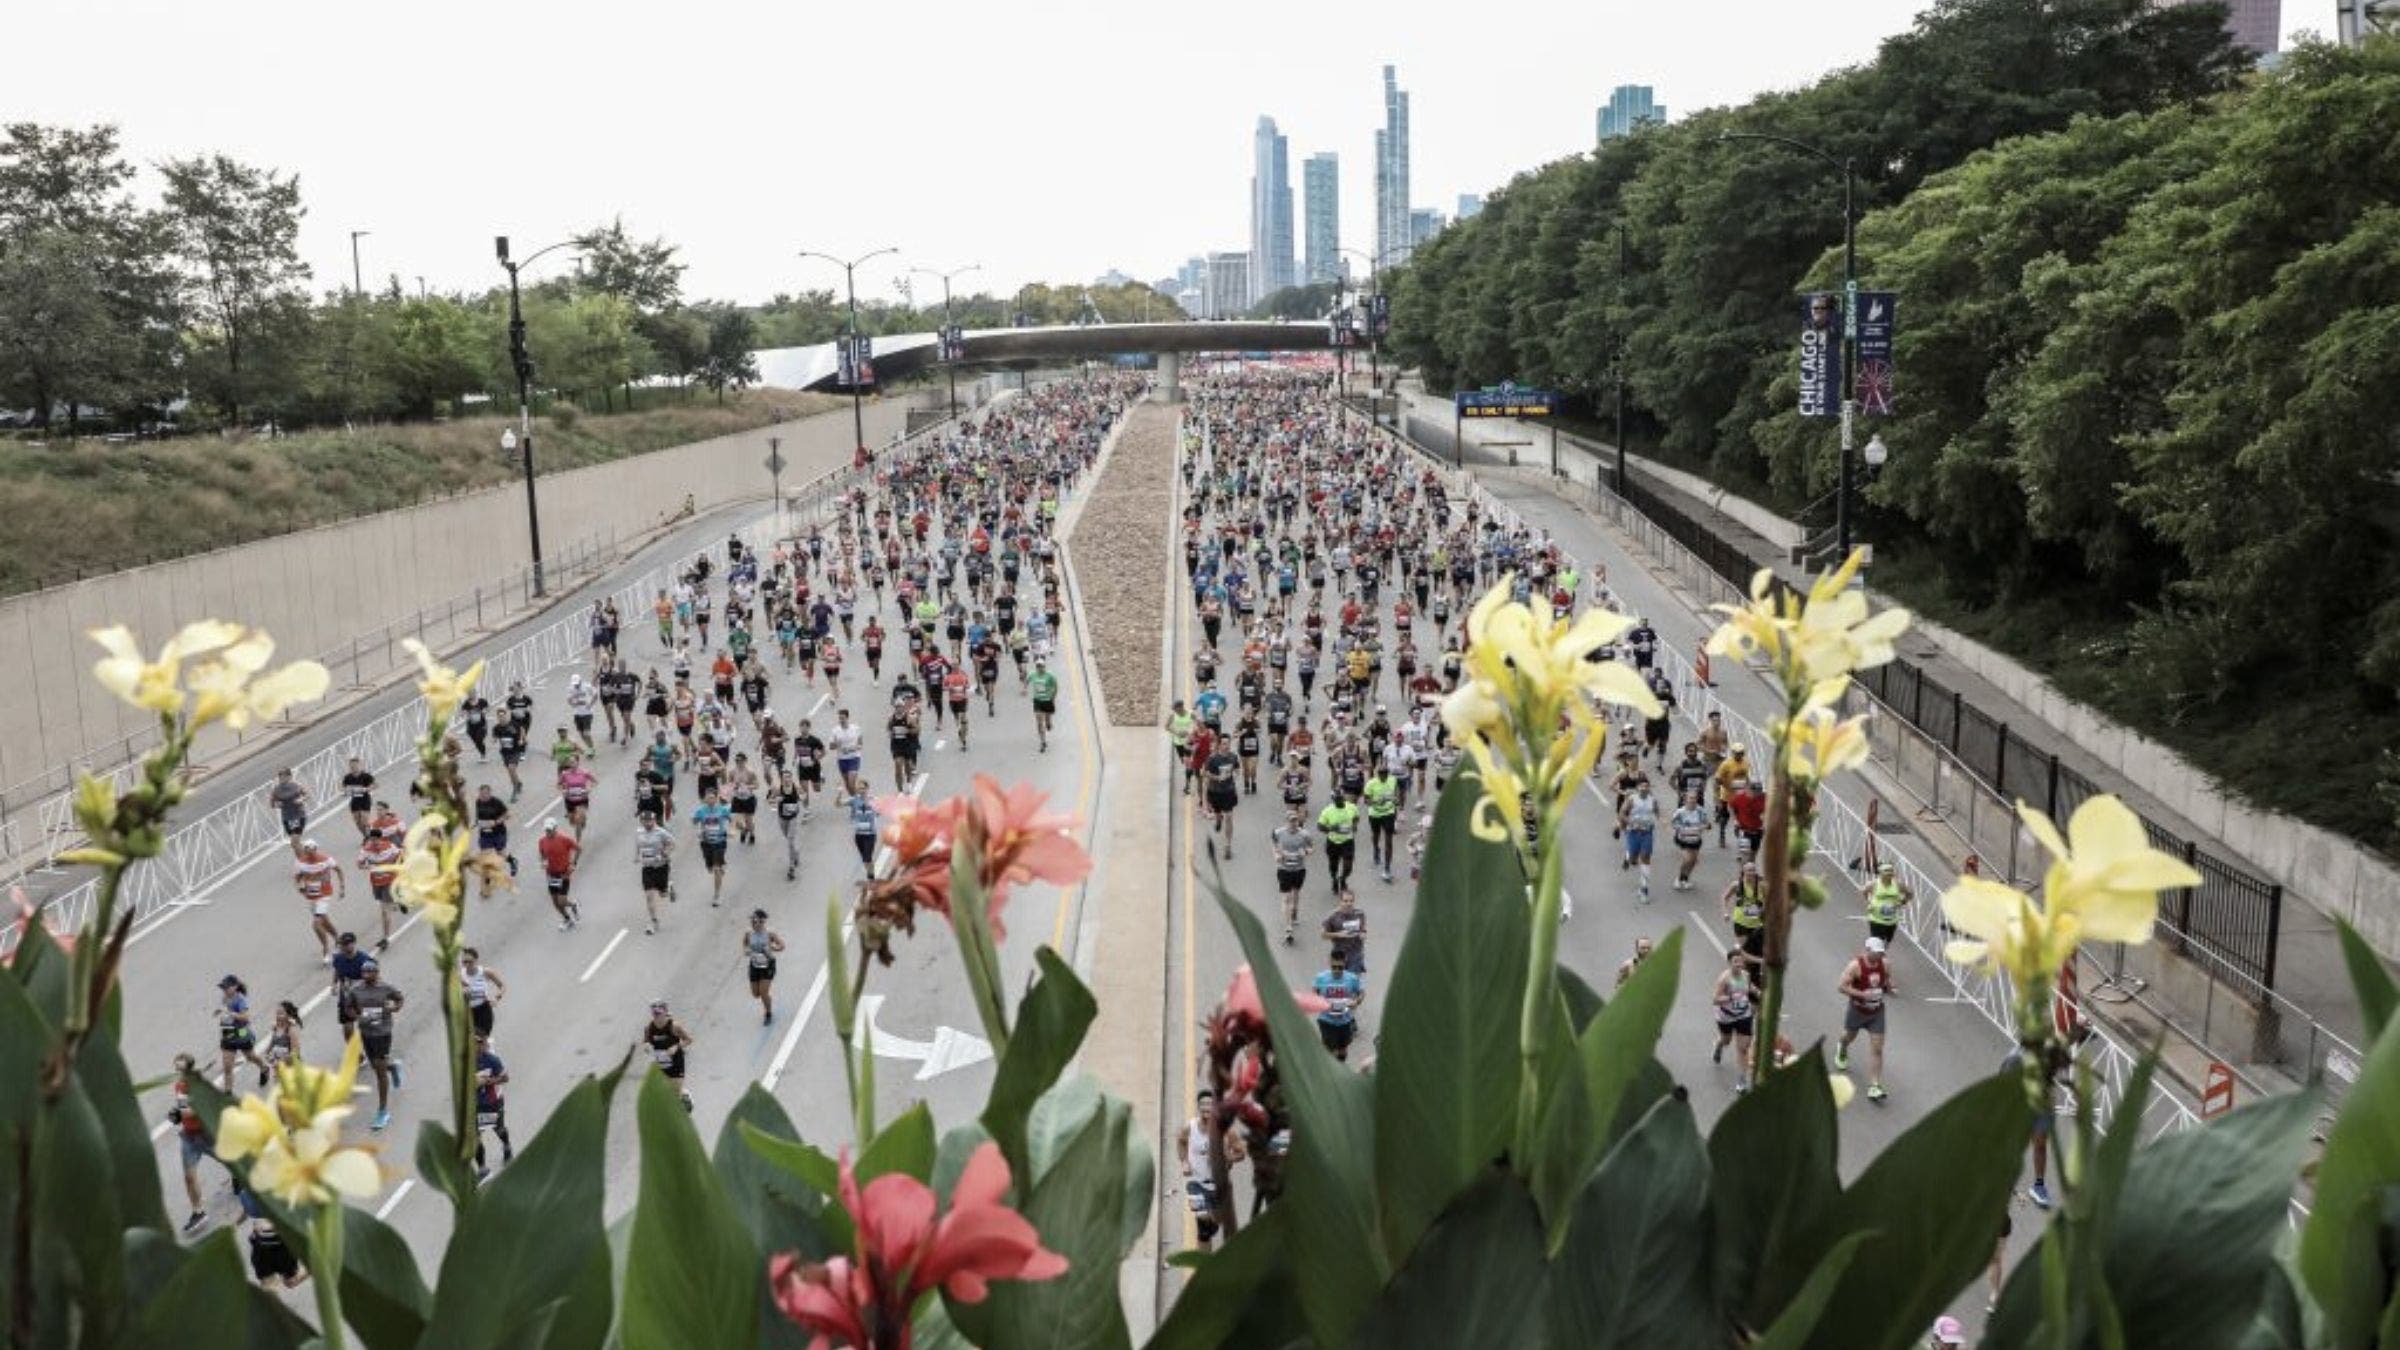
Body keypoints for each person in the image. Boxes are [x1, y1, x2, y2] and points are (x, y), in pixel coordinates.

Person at [1834, 936, 1896, 1104]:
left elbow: (1887, 978)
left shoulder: (1885, 964)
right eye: (1876, 953)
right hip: (1857, 1010)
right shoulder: (1855, 966)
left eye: (1881, 953)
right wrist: (1862, 994)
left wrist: (1890, 987)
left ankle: (1874, 1086)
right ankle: (1842, 1046)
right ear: (1867, 950)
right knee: (1849, 1037)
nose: (1879, 956)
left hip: (1877, 1012)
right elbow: (1841, 986)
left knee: (1877, 1049)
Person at [347, 958, 405, 1131]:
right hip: (366, 1033)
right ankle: (393, 1066)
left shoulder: (386, 988)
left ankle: (382, 1111)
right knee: (375, 1065)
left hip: (382, 1033)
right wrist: (358, 1017)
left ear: (377, 973)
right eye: (364, 972)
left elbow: (400, 999)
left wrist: (394, 1008)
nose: (366, 975)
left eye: (370, 972)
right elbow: (348, 1008)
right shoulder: (356, 989)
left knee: (379, 1072)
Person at [1176, 1090, 1239, 1249]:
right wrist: (1184, 1162)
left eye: (1210, 1105)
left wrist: (1228, 1158)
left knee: (1213, 1223)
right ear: (1198, 1107)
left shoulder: (1226, 1131)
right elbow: (1181, 1142)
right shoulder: (1190, 1128)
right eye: (1203, 1104)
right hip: (1196, 1183)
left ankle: (1213, 1225)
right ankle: (1203, 1266)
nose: (1206, 1108)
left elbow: (1241, 1153)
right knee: (1203, 1228)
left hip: (1218, 1185)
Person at [168, 1053, 216, 1232]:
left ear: (188, 1069)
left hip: (207, 1135)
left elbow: (193, 1109)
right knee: (189, 1177)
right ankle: (198, 1212)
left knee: (231, 1162)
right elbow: (184, 1108)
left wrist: (178, 1114)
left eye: (180, 1069)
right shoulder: (179, 1085)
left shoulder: (198, 1086)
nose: (177, 1072)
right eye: (176, 1069)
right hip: (189, 1137)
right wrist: (179, 1112)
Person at [1711, 948, 1757, 1091]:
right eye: (1735, 961)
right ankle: (1718, 1046)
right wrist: (1730, 997)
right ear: (1729, 963)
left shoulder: (1746, 975)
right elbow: (1715, 1000)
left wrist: (1758, 992)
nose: (1738, 964)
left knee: (1743, 1048)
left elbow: (1749, 988)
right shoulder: (1724, 979)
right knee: (1726, 1040)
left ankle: (1742, 1080)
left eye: (1740, 961)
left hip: (1744, 1014)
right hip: (1726, 1016)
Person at [1311, 948, 1366, 1063]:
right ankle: (1330, 1073)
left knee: (1343, 1051)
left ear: (1345, 963)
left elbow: (1361, 992)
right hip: (1327, 1021)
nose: (1336, 970)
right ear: (1330, 962)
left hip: (1345, 1021)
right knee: (1330, 1051)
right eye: (1334, 967)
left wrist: (1356, 1002)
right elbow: (1314, 993)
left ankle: (1341, 1067)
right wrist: (1319, 1002)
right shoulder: (1321, 978)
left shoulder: (1352, 978)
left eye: (1340, 967)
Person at [293, 837, 343, 961]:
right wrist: (300, 888)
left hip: (324, 894)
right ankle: (338, 938)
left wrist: (342, 887)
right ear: (304, 850)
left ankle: (326, 949)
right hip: (311, 895)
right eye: (307, 850)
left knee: (316, 923)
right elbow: (297, 878)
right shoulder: (300, 862)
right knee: (324, 921)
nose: (310, 852)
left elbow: (339, 870)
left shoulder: (326, 859)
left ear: (316, 849)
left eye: (312, 850)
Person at [642, 999, 695, 1112]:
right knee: (665, 1092)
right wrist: (646, 1046)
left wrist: (676, 1046)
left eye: (659, 1013)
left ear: (665, 1012)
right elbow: (646, 1041)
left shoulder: (674, 1026)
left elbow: (689, 1040)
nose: (657, 1016)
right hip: (661, 1062)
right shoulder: (649, 1028)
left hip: (676, 1061)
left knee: (676, 1093)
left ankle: (684, 1098)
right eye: (655, 1014)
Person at [216, 974, 268, 1090]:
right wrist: (220, 1013)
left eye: (226, 987)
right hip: (228, 1034)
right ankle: (228, 1095)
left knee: (250, 1057)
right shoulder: (225, 998)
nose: (224, 990)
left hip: (241, 1034)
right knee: (227, 1067)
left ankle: (264, 1068)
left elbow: (246, 1017)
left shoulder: (241, 999)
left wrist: (231, 1014)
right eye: (222, 987)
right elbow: (225, 1011)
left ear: (235, 987)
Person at [1270, 808, 1313, 945]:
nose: (1293, 823)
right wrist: (1276, 854)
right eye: (1291, 821)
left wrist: (1305, 852)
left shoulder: (1305, 835)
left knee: (1296, 893)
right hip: (1284, 869)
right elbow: (1274, 844)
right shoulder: (1278, 833)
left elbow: (1312, 848)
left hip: (1299, 869)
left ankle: (1295, 910)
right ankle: (1288, 928)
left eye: (1295, 820)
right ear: (1286, 821)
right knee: (1286, 897)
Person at [474, 1032, 513, 1177]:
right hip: (474, 1105)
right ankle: (482, 1168)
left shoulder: (492, 1060)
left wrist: (487, 1081)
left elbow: (506, 1078)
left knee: (499, 1129)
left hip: (492, 1102)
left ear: (483, 1044)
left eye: (479, 1043)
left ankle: (507, 1145)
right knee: (475, 1137)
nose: (476, 1046)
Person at [357, 828, 403, 950]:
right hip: (376, 883)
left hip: (389, 880)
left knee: (384, 910)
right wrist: (368, 865)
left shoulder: (389, 846)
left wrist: (395, 865)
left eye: (377, 839)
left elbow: (401, 854)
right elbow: (359, 864)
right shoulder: (366, 850)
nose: (375, 842)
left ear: (381, 838)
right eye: (373, 839)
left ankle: (385, 938)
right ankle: (399, 899)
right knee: (385, 905)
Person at [634, 811, 676, 935]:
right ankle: (653, 921)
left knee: (663, 894)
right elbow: (638, 845)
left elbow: (672, 844)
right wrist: (636, 856)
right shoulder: (639, 832)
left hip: (661, 866)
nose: (647, 823)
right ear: (641, 821)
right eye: (645, 820)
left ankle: (669, 886)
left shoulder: (661, 832)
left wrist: (664, 853)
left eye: (650, 820)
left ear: (654, 820)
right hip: (647, 868)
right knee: (649, 896)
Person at [742, 909, 787, 1025]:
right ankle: (767, 998)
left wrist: (772, 948)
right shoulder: (748, 933)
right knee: (755, 994)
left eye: (755, 921)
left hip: (767, 965)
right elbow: (745, 944)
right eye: (751, 920)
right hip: (755, 964)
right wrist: (746, 951)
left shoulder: (770, 933)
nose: (752, 923)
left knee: (763, 993)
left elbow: (782, 946)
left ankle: (768, 1013)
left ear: (762, 922)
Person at [538, 819, 582, 930]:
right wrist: (543, 862)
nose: (548, 832)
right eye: (546, 830)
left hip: (564, 874)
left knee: (561, 901)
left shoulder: (564, 839)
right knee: (555, 902)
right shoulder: (542, 841)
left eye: (550, 830)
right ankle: (567, 919)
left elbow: (579, 849)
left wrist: (573, 864)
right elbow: (542, 854)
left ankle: (573, 905)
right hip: (551, 875)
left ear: (555, 829)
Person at [692, 787, 733, 905]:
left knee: (716, 869)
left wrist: (734, 829)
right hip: (706, 843)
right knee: (710, 868)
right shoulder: (700, 811)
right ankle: (721, 864)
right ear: (704, 798)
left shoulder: (723, 810)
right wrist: (697, 828)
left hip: (720, 842)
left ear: (716, 798)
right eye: (707, 798)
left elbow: (733, 820)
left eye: (712, 798)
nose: (710, 800)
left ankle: (717, 895)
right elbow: (694, 821)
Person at [1620, 779, 1658, 902]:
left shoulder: (1653, 800)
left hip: (1647, 833)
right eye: (1641, 786)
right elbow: (1622, 814)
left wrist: (1662, 822)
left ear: (1649, 788)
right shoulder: (1631, 799)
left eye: (1646, 786)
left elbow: (1657, 813)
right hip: (1633, 832)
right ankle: (1628, 856)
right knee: (1633, 860)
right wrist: (1628, 822)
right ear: (1637, 788)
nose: (1644, 788)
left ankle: (1644, 890)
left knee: (1646, 858)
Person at [1203, 735, 1241, 856]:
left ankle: (1227, 845)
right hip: (1215, 791)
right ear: (1219, 745)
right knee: (1218, 814)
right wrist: (1217, 777)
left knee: (1229, 816)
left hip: (1228, 791)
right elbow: (1205, 773)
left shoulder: (1233, 757)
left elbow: (1237, 769)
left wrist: (1235, 775)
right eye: (1224, 743)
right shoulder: (1213, 758)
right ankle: (1218, 819)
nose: (1226, 746)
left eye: (1228, 744)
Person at [1362, 764, 1401, 883]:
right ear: (1377, 774)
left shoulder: (1393, 780)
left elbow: (1397, 793)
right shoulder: (1371, 784)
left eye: (1385, 774)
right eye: (1380, 774)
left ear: (1388, 773)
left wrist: (1396, 799)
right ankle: (1375, 848)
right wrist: (1376, 801)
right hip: (1374, 814)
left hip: (1389, 813)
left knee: (1389, 841)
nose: (1382, 776)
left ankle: (1387, 868)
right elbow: (1366, 801)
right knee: (1376, 835)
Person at [1316, 789, 1359, 893]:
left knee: (1348, 866)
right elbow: (1320, 826)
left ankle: (1343, 878)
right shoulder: (1327, 811)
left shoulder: (1351, 807)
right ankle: (1334, 879)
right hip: (1333, 842)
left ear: (1343, 797)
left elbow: (1356, 817)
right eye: (1336, 799)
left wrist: (1354, 826)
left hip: (1347, 841)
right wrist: (1331, 828)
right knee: (1333, 865)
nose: (1339, 800)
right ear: (1333, 800)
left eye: (1340, 798)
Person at [460, 947, 507, 1040]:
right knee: (469, 1042)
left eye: (470, 961)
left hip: (483, 1010)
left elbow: (502, 986)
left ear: (476, 960)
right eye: (465, 962)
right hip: (468, 1012)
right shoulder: (460, 975)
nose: (467, 964)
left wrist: (496, 998)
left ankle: (488, 1050)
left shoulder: (486, 972)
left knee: (482, 1040)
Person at [1863, 861, 1913, 947]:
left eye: (1891, 871)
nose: (1889, 873)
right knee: (1875, 942)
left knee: (1887, 942)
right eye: (1886, 871)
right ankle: (1876, 957)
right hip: (1876, 918)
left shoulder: (1898, 884)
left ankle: (1881, 953)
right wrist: (1869, 903)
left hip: (1891, 919)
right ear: (1880, 873)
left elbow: (1910, 894)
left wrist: (1901, 903)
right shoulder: (1874, 884)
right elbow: (1864, 892)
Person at [1321, 888, 1368, 975]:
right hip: (1339, 953)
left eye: (1351, 901)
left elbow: (1363, 928)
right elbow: (1323, 935)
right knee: (1339, 982)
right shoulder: (1332, 916)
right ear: (1340, 901)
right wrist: (1338, 934)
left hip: (1355, 953)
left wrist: (1363, 933)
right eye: (1345, 901)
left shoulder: (1360, 913)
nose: (1348, 904)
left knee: (1353, 981)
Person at [1670, 790, 1709, 892]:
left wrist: (1703, 827)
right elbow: (1673, 824)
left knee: (1693, 861)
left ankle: (1686, 879)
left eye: (1694, 798)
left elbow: (1707, 824)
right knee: (1687, 859)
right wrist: (1683, 829)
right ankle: (1679, 878)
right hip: (1683, 839)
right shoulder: (1680, 812)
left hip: (1696, 839)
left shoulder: (1701, 811)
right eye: (1690, 798)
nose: (1693, 800)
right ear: (1685, 800)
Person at [265, 768, 309, 851]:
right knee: (295, 844)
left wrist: (301, 800)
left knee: (294, 841)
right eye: (280, 777)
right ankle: (306, 854)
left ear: (290, 776)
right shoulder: (276, 789)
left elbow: (307, 795)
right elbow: (272, 803)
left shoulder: (296, 785)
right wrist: (277, 805)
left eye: (284, 776)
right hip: (286, 818)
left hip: (298, 815)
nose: (282, 779)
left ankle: (307, 857)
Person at [264, 999, 303, 1085]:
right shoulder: (276, 1027)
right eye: (277, 1013)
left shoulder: (291, 1030)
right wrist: (267, 1053)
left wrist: (281, 1061)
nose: (278, 1016)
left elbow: (295, 1052)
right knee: (279, 1090)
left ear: (288, 1015)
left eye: (281, 1013)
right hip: (278, 1068)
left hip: (292, 1068)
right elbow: (272, 1042)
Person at [1028, 659, 1059, 753]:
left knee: (1047, 721)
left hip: (1048, 700)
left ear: (1044, 666)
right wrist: (1024, 688)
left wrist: (1053, 697)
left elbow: (1055, 686)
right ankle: (1042, 741)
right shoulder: (1033, 674)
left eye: (1041, 666)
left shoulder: (1050, 676)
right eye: (1038, 666)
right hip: (1037, 701)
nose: (1039, 668)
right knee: (1039, 723)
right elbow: (1027, 681)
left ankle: (1049, 723)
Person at [341, 758, 376, 837]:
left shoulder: (366, 776)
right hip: (355, 800)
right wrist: (345, 791)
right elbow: (342, 787)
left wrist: (368, 789)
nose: (353, 768)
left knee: (364, 820)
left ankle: (370, 835)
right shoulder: (348, 777)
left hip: (365, 799)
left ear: (359, 765)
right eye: (351, 766)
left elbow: (375, 785)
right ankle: (366, 836)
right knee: (357, 821)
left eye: (355, 766)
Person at [848, 790, 880, 874]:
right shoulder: (854, 800)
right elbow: (838, 804)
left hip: (870, 834)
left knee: (867, 858)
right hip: (859, 835)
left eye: (863, 788)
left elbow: (879, 812)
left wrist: (873, 808)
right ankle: (870, 873)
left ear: (867, 788)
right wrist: (839, 793)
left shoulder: (873, 800)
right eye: (860, 788)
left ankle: (871, 878)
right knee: (865, 860)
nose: (862, 790)